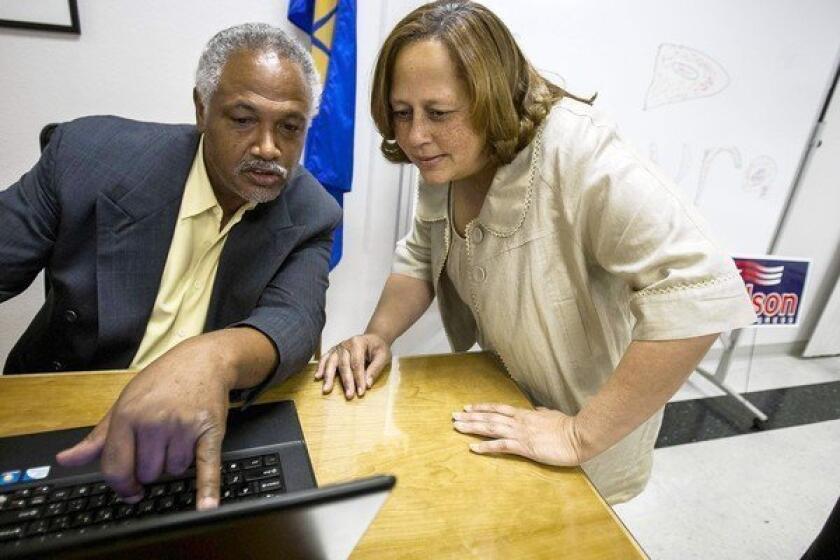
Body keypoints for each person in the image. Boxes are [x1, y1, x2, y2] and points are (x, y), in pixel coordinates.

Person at [315, 0, 756, 504]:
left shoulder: (579, 151)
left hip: (588, 434)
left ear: (492, 97)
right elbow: (422, 255)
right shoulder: (448, 158)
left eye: (438, 113)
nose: (416, 136)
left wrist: (578, 435)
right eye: (401, 113)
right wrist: (378, 335)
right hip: (510, 405)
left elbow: (699, 290)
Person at [0, 23, 341, 509]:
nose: (269, 147)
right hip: (60, 422)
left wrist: (211, 357)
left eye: (289, 127)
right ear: (202, 109)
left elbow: (296, 319)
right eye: (244, 119)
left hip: (196, 430)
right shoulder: (87, 157)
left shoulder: (312, 209)